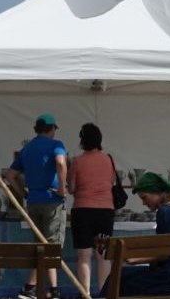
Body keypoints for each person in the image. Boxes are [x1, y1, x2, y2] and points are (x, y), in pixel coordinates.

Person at [4, 114, 68, 299]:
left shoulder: (27, 148)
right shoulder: (57, 145)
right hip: (52, 201)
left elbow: (10, 175)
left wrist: (23, 192)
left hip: (33, 202)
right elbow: (61, 163)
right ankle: (35, 289)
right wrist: (62, 189)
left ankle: (42, 289)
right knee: (51, 247)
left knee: (41, 246)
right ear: (51, 128)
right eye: (55, 128)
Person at [113, 172, 170, 296]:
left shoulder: (165, 211)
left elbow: (165, 253)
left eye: (144, 198)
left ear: (158, 193)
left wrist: (137, 259)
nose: (144, 203)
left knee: (125, 283)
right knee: (122, 275)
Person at [65, 123, 117, 296]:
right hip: (105, 211)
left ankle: (85, 293)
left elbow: (71, 188)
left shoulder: (77, 161)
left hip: (82, 210)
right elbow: (111, 182)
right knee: (103, 255)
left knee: (84, 255)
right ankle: (104, 292)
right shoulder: (109, 160)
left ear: (82, 140)